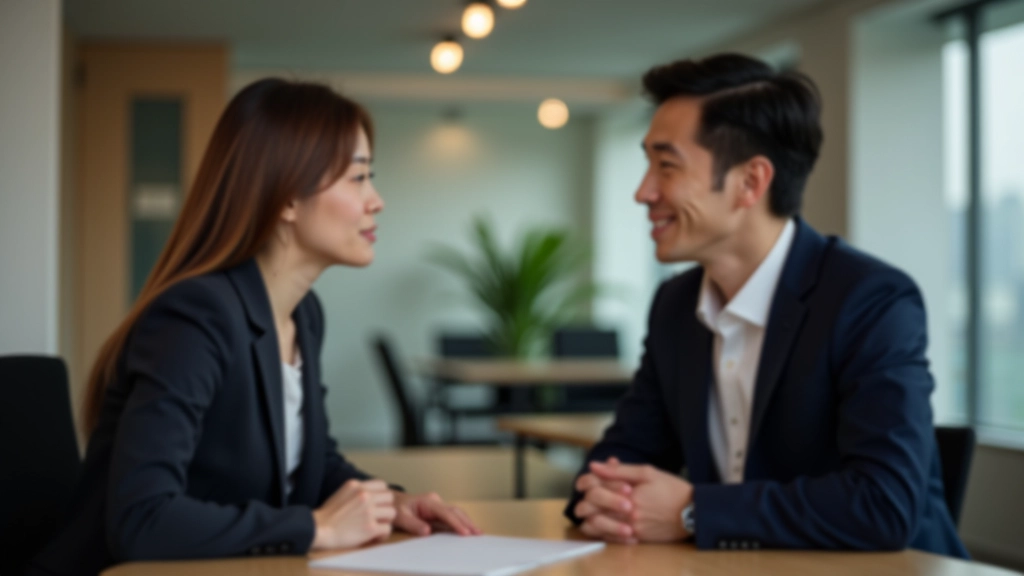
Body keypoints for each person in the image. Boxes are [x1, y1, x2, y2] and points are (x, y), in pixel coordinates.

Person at [29, 78, 480, 576]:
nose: (377, 200)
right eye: (358, 178)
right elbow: (141, 518)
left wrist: (389, 503)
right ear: (286, 198)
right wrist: (317, 529)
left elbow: (312, 461)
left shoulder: (304, 314)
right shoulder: (194, 318)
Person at [565, 53, 968, 557]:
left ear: (751, 182)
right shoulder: (675, 304)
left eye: (666, 166)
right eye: (648, 163)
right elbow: (618, 458)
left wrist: (693, 510)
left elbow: (883, 506)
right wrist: (606, 498)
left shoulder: (870, 300)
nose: (643, 192)